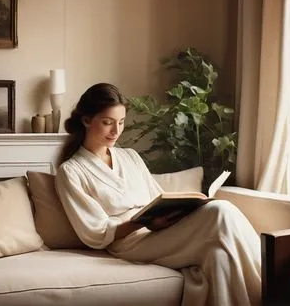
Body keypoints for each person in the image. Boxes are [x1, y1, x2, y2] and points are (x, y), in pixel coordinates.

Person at [55, 82, 262, 306]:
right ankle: (273, 290)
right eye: (107, 123)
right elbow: (94, 232)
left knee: (218, 257)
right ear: (86, 120)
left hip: (161, 230)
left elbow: (157, 197)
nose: (116, 131)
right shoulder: (71, 171)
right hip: (130, 242)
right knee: (221, 211)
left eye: (121, 122)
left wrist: (182, 209)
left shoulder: (130, 156)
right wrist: (144, 223)